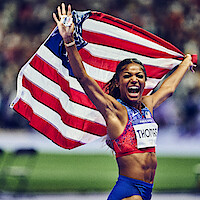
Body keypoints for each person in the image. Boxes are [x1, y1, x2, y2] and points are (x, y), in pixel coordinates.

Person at [53, 3, 194, 200]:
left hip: (146, 190)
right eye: (127, 76)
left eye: (139, 76)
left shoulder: (147, 105)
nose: (134, 79)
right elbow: (84, 79)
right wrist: (68, 41)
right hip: (129, 191)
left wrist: (186, 63)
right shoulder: (115, 110)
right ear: (118, 83)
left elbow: (168, 89)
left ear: (145, 81)